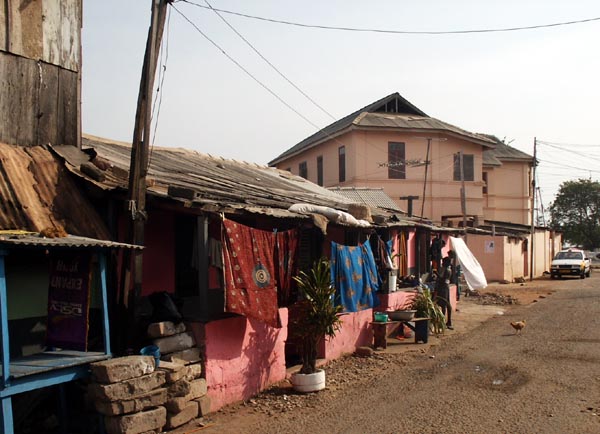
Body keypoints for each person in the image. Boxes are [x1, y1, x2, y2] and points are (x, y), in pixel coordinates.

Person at [435, 256, 453, 329]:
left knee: (443, 304)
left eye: (443, 262)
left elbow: (442, 279)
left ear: (446, 263)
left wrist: (436, 273)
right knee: (447, 304)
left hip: (443, 287)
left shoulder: (447, 270)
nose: (442, 263)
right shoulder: (448, 269)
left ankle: (443, 322)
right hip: (446, 286)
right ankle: (448, 321)